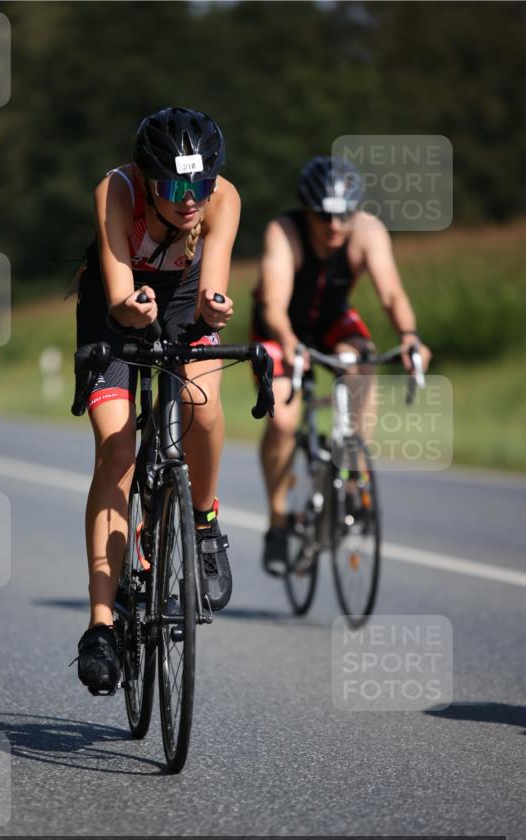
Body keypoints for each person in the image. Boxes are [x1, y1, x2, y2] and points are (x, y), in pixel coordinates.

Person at [74, 107, 241, 694]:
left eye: (200, 184)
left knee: (202, 405)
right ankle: (99, 625)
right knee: (117, 451)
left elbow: (213, 289)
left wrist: (216, 308)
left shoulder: (224, 200)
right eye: (174, 187)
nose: (190, 198)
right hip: (115, 308)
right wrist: (129, 312)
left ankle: (202, 521)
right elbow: (120, 296)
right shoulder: (117, 191)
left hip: (182, 300)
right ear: (148, 179)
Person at [252, 155, 432, 576]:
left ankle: (352, 473)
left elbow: (392, 294)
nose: (334, 226)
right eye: (323, 215)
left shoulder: (367, 232)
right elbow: (274, 305)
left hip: (332, 321)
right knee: (282, 419)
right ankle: (278, 521)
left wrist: (409, 337)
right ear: (306, 209)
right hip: (280, 327)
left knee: (362, 362)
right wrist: (291, 344)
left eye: (342, 215)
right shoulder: (285, 231)